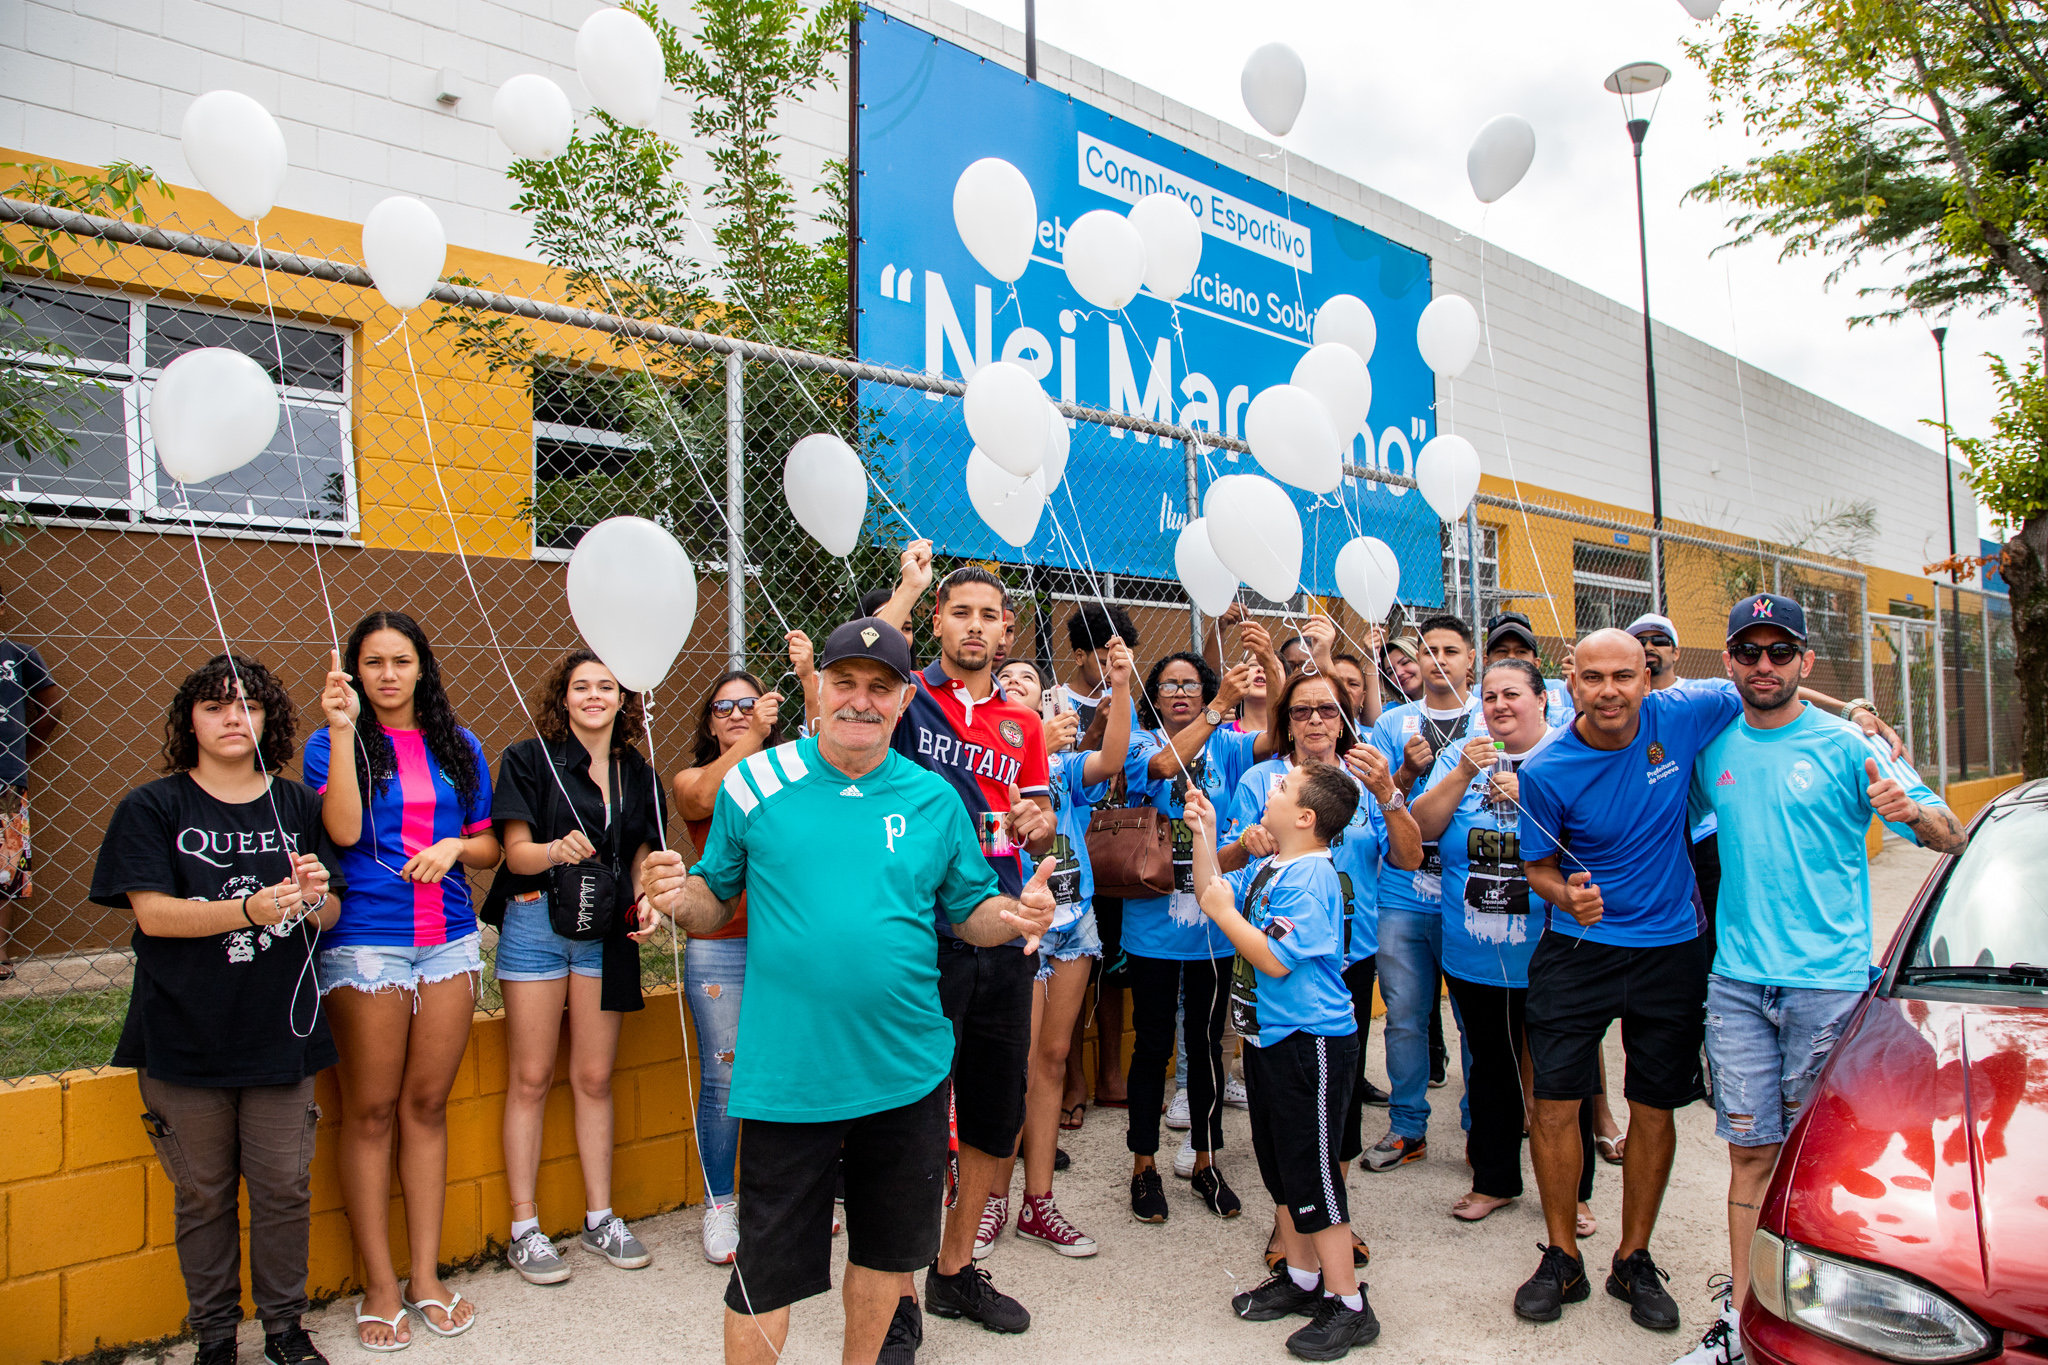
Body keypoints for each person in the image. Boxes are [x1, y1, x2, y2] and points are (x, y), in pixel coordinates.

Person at [636, 616, 1058, 1365]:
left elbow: (971, 911)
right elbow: (713, 898)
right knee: (762, 1276)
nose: (861, 701)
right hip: (788, 1078)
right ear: (818, 688)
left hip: (907, 1071)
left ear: (902, 703)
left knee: (886, 1257)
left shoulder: (933, 799)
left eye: (880, 687)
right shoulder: (757, 780)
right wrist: (676, 896)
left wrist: (1015, 912)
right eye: (846, 682)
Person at [1669, 595, 1967, 1365]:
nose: (1763, 665)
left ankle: (1816, 1321)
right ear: (1729, 660)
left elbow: (1948, 835)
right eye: (1748, 651)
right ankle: (1742, 1323)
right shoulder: (1715, 748)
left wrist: (1909, 808)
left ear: (1805, 661)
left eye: (1779, 651)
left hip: (1828, 986)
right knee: (1749, 1155)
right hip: (1736, 985)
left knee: (1817, 1157)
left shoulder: (1848, 745)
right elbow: (1671, 811)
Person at [90, 654, 340, 1365]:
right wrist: (248, 908)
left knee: (284, 1188)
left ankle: (286, 1330)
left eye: (249, 705)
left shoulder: (296, 805)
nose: (233, 717)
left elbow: (331, 911)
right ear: (188, 720)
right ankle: (216, 1338)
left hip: (281, 1029)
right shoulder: (153, 806)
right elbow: (155, 915)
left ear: (270, 719)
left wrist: (314, 895)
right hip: (183, 1030)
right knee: (202, 1195)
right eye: (215, 704)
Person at [1510, 628, 1743, 1333]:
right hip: (1578, 951)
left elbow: (1772, 687)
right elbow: (1536, 867)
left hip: (1669, 948)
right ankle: (1561, 1256)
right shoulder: (1547, 767)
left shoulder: (1684, 712)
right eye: (1592, 677)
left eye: (1623, 675)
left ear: (1648, 676)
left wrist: (1853, 712)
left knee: (1654, 1106)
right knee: (1553, 1104)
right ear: (1570, 684)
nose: (1609, 690)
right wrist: (1565, 895)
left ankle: (1632, 1257)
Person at [873, 565, 1057, 1338]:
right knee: (912, 1116)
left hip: (1005, 927)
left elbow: (1040, 810)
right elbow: (871, 653)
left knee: (993, 1110)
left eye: (990, 615)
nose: (976, 627)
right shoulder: (907, 697)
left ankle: (952, 1271)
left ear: (1009, 631)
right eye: (961, 613)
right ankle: (896, 1294)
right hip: (924, 932)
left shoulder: (1024, 723)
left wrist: (1036, 821)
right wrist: (909, 589)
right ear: (940, 623)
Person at [307, 613, 498, 1349]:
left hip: (447, 941)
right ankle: (380, 1284)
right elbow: (348, 832)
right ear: (355, 671)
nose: (389, 674)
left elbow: (485, 845)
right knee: (372, 1110)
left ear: (423, 667)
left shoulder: (460, 744)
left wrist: (454, 843)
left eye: (402, 660)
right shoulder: (332, 742)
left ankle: (424, 1275)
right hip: (368, 946)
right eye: (374, 661)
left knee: (426, 1104)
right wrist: (348, 729)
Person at [1186, 770, 1383, 1360]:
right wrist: (1206, 833)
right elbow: (1209, 891)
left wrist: (1224, 914)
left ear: (1304, 818)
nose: (1269, 791)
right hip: (1269, 1039)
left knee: (1315, 1176)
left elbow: (1273, 958)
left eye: (1281, 790)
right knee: (1280, 1164)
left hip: (1311, 1044)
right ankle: (1300, 1280)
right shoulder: (1275, 865)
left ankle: (1348, 1303)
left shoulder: (1313, 875)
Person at [486, 651, 667, 1285]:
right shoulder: (528, 758)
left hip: (605, 933)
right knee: (530, 1077)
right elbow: (513, 854)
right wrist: (552, 849)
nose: (594, 695)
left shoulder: (639, 772)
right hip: (537, 924)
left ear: (624, 700)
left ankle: (600, 1218)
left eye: (606, 686)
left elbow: (645, 850)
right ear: (562, 699)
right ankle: (525, 1229)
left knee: (593, 1077)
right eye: (581, 686)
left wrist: (644, 895)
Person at [1409, 659, 1599, 1235]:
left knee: (1566, 1075)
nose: (1498, 706)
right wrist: (1463, 773)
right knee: (1490, 1068)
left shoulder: (1569, 754)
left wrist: (1533, 796)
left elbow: (1593, 839)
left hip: (1557, 950)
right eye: (1489, 696)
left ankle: (1574, 1192)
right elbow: (1421, 829)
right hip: (1474, 952)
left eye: (1512, 694)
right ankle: (1494, 1180)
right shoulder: (1462, 754)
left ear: (1543, 700)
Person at [1120, 638, 1279, 1223]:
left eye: (1193, 683)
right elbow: (1161, 769)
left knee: (1208, 1049)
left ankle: (1207, 1163)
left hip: (1214, 928)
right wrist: (1219, 709)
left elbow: (1277, 733)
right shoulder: (1140, 743)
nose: (1182, 692)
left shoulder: (1233, 747)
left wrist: (1274, 672)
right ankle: (1144, 1167)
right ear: (1154, 697)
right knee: (1153, 1047)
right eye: (1170, 684)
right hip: (1152, 929)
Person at [983, 645, 1134, 1258]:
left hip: (1075, 925)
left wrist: (1120, 687)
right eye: (1007, 678)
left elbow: (1114, 757)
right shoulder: (986, 760)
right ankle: (990, 1199)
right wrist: (1031, 744)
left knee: (1051, 1061)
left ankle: (1037, 1204)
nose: (1019, 681)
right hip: (1016, 924)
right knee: (1012, 1067)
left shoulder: (1066, 765)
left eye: (1030, 677)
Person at [670, 669, 785, 1265]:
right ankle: (720, 1207)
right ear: (709, 721)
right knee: (724, 1080)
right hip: (721, 942)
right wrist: (755, 737)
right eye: (724, 708)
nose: (738, 713)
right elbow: (708, 795)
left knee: (785, 1071)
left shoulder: (792, 769)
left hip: (787, 943)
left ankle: (778, 1201)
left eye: (749, 704)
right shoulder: (694, 777)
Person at [1363, 613, 1480, 1170]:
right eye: (1427, 650)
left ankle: (1484, 1123)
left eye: (1450, 651)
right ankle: (1407, 1125)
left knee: (1473, 1015)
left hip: (1472, 890)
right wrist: (1406, 776)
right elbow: (1381, 803)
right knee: (1405, 1015)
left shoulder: (1491, 717)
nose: (1438, 660)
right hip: (1404, 887)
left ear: (1470, 658)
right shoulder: (1393, 722)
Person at [1058, 602, 1142, 1117]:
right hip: (1068, 857)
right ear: (1079, 654)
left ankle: (1111, 1072)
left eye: (1122, 652)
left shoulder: (1135, 699)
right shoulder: (1055, 702)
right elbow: (1058, 770)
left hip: (1118, 856)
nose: (1113, 661)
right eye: (1102, 653)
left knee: (1113, 971)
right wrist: (1096, 728)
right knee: (1067, 974)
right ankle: (1071, 1082)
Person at [0, 580, 64, 980]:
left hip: (6, 778)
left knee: (5, 869)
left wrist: (21, 754)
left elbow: (52, 707)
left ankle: (0, 954)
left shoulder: (20, 655)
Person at [1482, 612, 1572, 725]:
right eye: (1502, 651)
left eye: (1521, 652)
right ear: (1486, 661)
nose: (1511, 657)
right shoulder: (1474, 696)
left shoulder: (1564, 692)